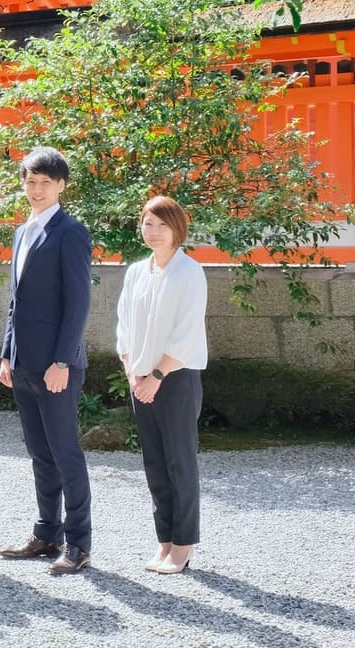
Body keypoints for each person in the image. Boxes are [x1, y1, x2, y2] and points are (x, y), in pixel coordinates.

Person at [0, 146, 94, 575]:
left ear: (61, 185)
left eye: (45, 182)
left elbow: (78, 303)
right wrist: (5, 354)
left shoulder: (70, 231)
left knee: (65, 452)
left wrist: (62, 361)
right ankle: (46, 532)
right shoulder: (22, 232)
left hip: (56, 365)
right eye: (30, 181)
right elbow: (16, 303)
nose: (36, 189)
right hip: (22, 364)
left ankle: (78, 543)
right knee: (39, 453)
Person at [116, 196, 208, 575]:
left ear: (177, 229)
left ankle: (183, 545)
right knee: (154, 462)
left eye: (161, 225)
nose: (153, 232)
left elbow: (186, 332)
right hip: (141, 380)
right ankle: (164, 540)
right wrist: (132, 372)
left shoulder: (189, 272)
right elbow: (124, 325)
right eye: (147, 224)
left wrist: (155, 376)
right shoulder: (137, 271)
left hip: (175, 379)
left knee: (179, 462)